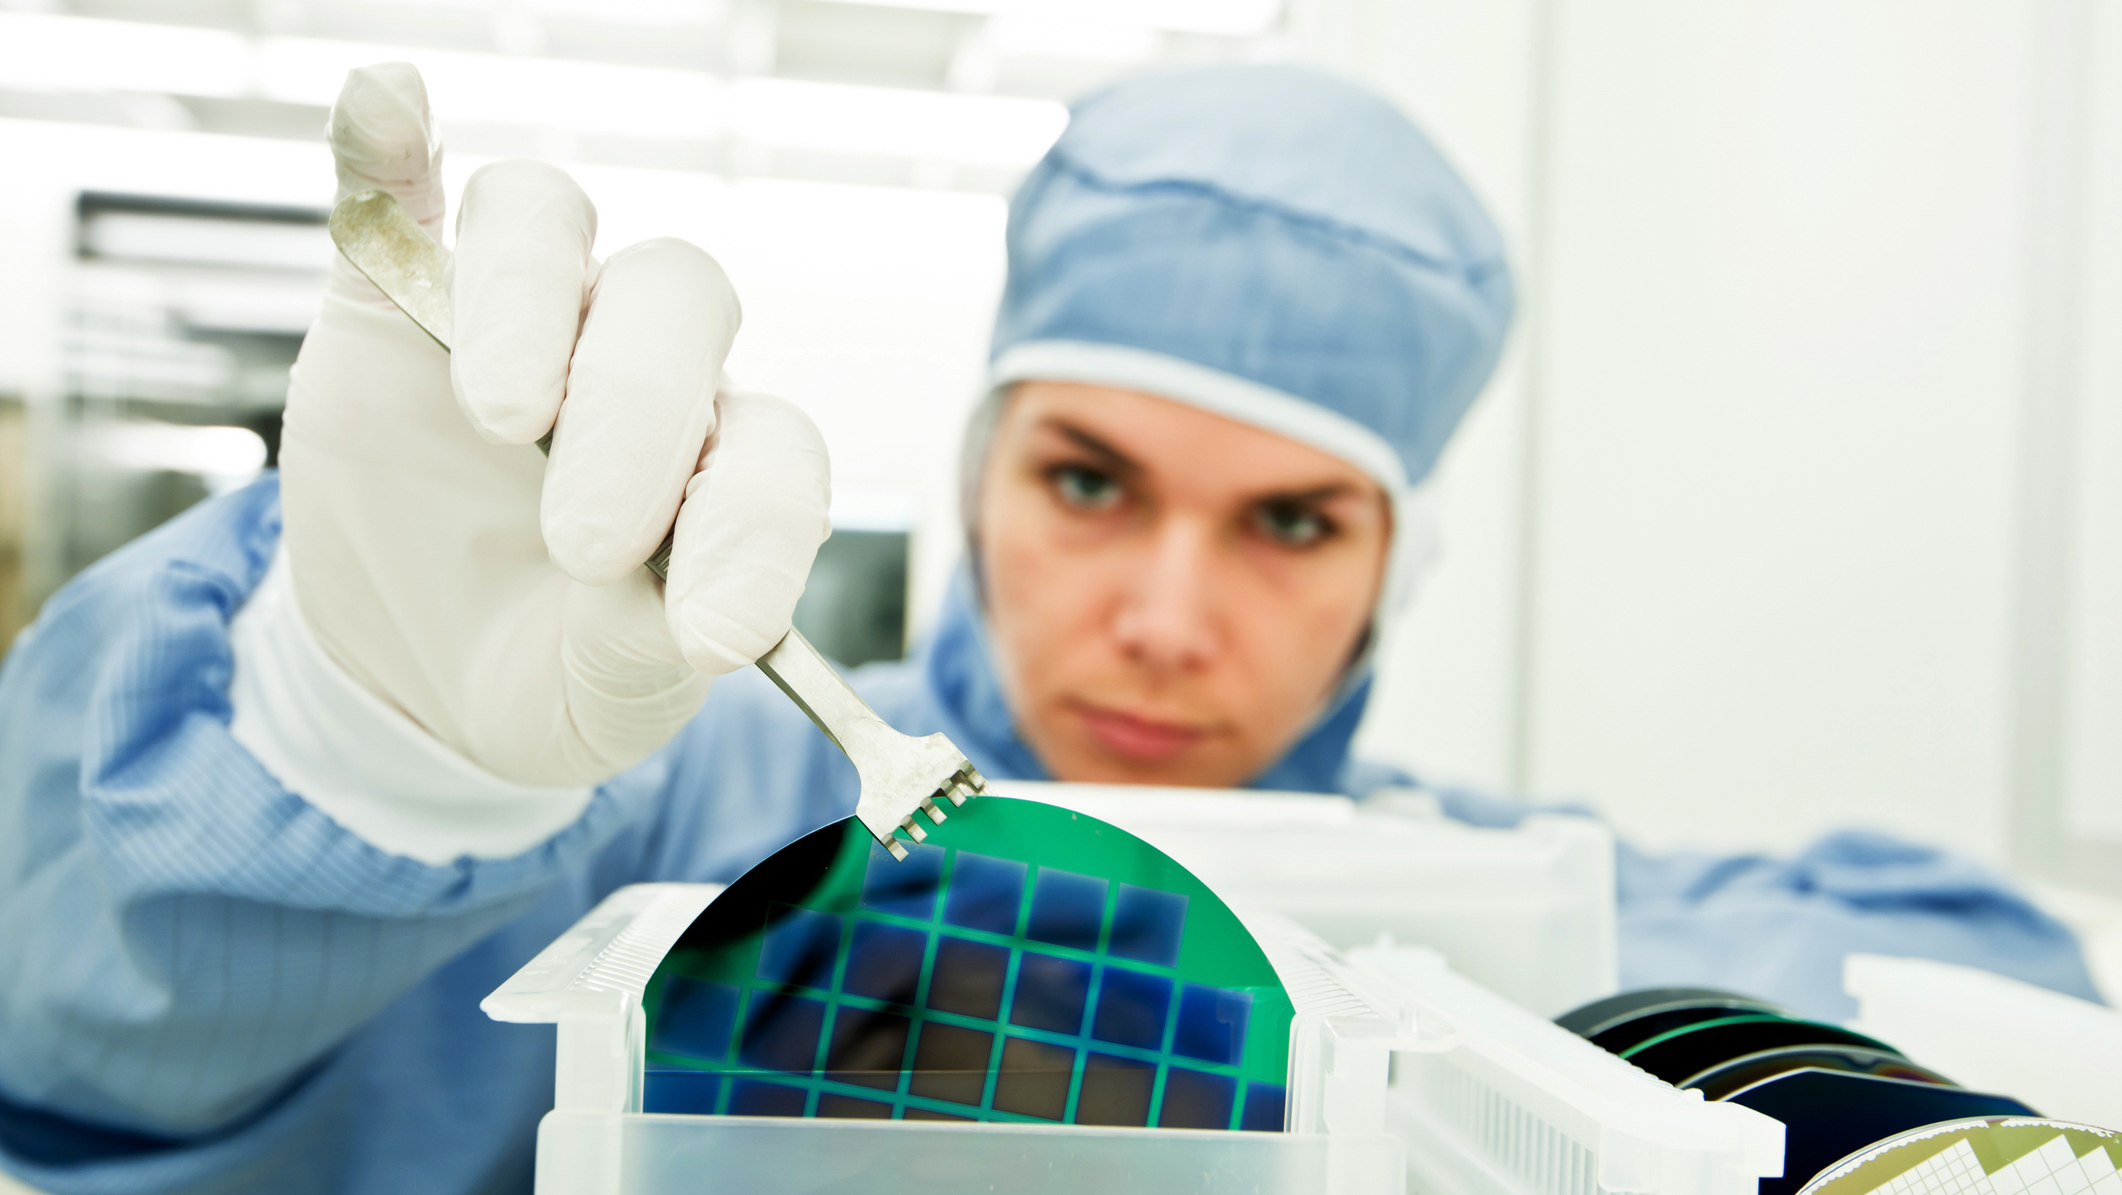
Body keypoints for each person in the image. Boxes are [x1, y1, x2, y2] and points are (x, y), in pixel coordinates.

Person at [0, 60, 2099, 1195]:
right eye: (1089, 481)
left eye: (1289, 518)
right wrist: (352, 744)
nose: (1169, 618)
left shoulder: (1490, 889)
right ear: (983, 472)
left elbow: (1986, 1012)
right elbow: (68, 1064)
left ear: (1398, 569)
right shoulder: (660, 793)